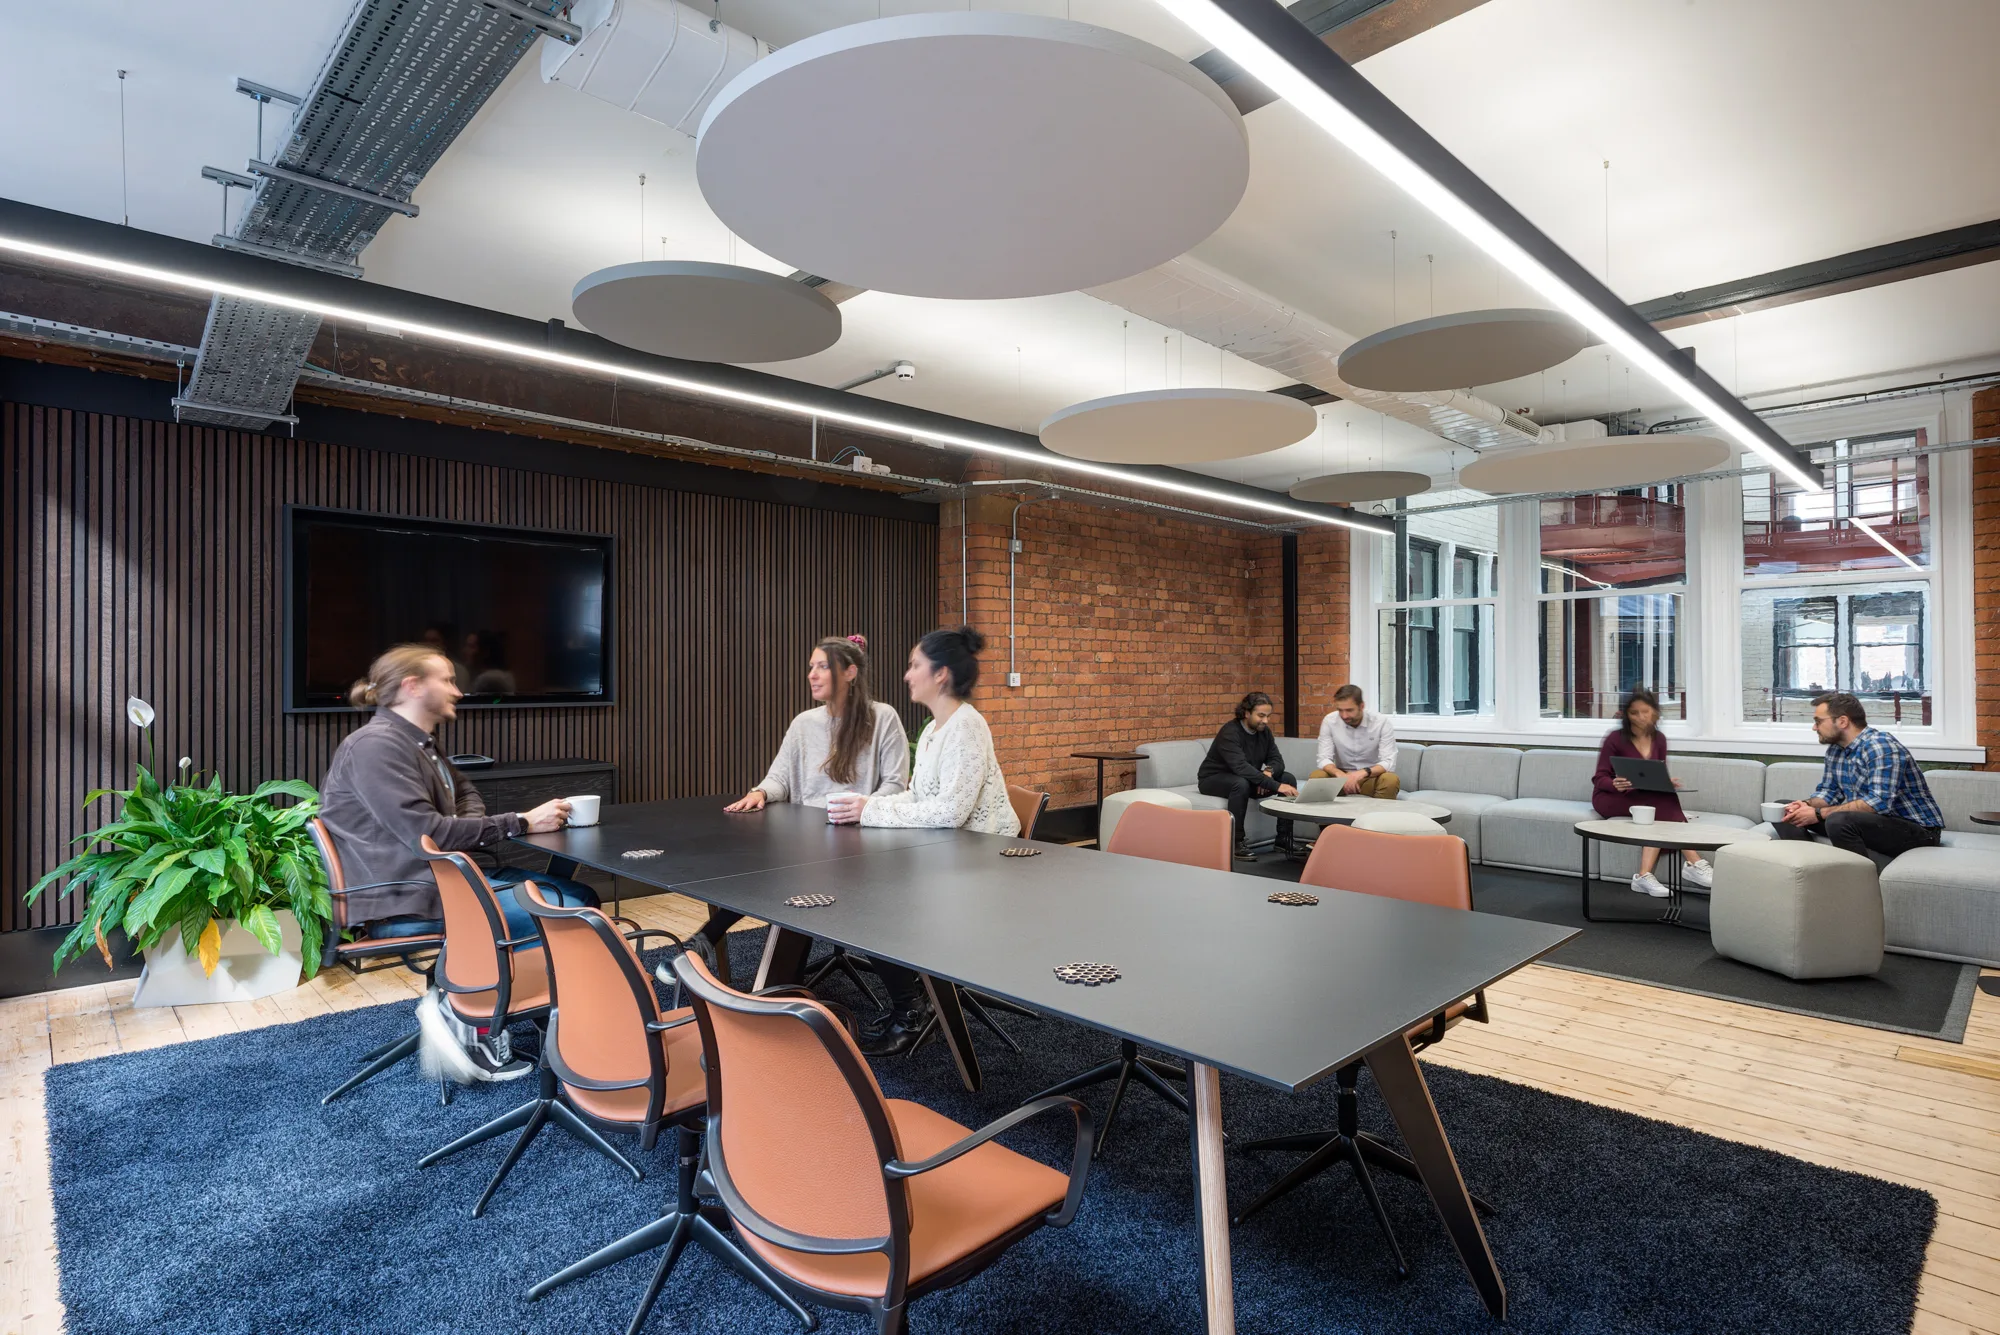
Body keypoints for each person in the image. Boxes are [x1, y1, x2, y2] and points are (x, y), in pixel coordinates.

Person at [320, 644, 597, 1077]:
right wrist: (522, 821)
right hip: (409, 897)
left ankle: (510, 1004)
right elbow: (428, 835)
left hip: (441, 881)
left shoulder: (417, 743)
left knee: (576, 893)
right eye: (447, 680)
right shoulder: (376, 747)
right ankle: (470, 1014)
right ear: (412, 686)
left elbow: (466, 793)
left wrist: (458, 827)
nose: (458, 690)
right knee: (571, 907)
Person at [826, 627, 1018, 1056]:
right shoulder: (932, 729)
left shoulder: (967, 727)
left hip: (984, 865)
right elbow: (918, 796)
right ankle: (916, 995)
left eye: (915, 665)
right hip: (951, 855)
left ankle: (911, 1012)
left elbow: (950, 812)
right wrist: (867, 804)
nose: (907, 674)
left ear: (941, 674)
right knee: (866, 896)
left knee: (877, 905)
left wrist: (871, 812)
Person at [699, 636, 911, 964]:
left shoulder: (883, 718)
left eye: (822, 666)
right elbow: (779, 778)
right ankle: (703, 943)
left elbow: (895, 785)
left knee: (783, 874)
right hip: (808, 842)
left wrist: (863, 809)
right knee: (760, 870)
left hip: (862, 840)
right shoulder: (804, 723)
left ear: (850, 672)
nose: (811, 674)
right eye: (811, 667)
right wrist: (760, 792)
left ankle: (702, 942)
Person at [1774, 692, 1943, 860]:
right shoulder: (1835, 750)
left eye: (1818, 721)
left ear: (1843, 721)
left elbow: (1878, 803)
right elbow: (1830, 793)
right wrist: (1805, 805)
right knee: (1783, 809)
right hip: (1868, 822)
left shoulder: (1880, 746)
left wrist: (1818, 814)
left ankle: (1859, 876)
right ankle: (1809, 865)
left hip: (1918, 831)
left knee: (1838, 820)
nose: (1814, 727)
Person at [1592, 689, 1713, 898]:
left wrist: (1665, 781)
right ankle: (1694, 862)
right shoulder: (1615, 738)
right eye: (1634, 713)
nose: (1640, 717)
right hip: (1611, 797)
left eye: (1645, 712)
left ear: (1655, 712)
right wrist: (1614, 783)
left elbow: (1654, 772)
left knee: (1662, 796)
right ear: (1626, 714)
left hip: (1642, 797)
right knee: (1658, 801)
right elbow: (1599, 778)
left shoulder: (1660, 739)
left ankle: (1643, 876)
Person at [1197, 691, 1298, 861]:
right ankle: (1236, 842)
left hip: (1245, 776)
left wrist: (1269, 772)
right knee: (1241, 783)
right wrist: (1273, 785)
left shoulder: (1264, 732)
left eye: (1268, 716)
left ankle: (1283, 839)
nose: (1265, 721)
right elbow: (1240, 767)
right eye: (1261, 715)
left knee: (1288, 778)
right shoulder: (1230, 732)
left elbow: (1277, 760)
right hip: (1213, 778)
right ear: (1246, 713)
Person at [1310, 684, 1400, 799]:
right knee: (1317, 776)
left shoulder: (1381, 722)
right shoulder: (1330, 721)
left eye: (1349, 710)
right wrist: (1340, 774)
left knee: (1390, 780)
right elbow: (1323, 758)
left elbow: (1388, 762)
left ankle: (1378, 811)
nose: (1344, 716)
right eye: (1340, 710)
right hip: (1340, 778)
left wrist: (1361, 773)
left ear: (1361, 706)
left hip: (1370, 777)